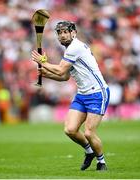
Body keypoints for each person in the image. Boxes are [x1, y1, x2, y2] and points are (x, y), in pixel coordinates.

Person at [31, 21, 110, 171]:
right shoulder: (69, 50)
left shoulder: (75, 47)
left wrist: (43, 62)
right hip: (82, 94)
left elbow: (61, 70)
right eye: (60, 33)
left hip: (97, 93)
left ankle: (101, 162)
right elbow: (65, 77)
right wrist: (46, 74)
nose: (62, 35)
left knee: (88, 132)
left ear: (73, 33)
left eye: (66, 32)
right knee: (70, 129)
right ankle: (89, 151)